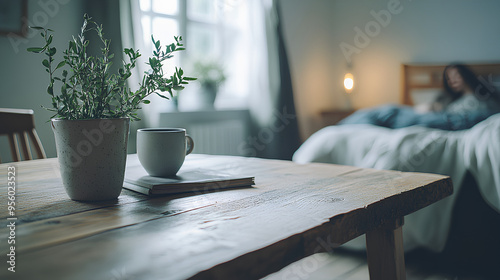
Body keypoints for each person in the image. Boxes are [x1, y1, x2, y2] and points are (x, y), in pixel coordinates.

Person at [338, 63, 500, 130]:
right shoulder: (448, 99)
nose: (452, 81)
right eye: (449, 78)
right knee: (389, 110)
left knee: (390, 113)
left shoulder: (485, 98)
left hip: (447, 120)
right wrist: (432, 108)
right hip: (433, 115)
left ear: (466, 74)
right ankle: (341, 127)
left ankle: (342, 127)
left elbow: (489, 113)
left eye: (456, 75)